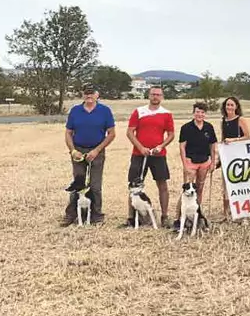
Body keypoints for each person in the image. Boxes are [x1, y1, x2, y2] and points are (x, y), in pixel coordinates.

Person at [61, 85, 116, 226]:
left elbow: (111, 133)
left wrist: (97, 150)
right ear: (82, 95)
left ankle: (96, 215)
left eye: (92, 93)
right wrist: (73, 150)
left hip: (97, 150)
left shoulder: (104, 111)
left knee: (95, 185)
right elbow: (68, 133)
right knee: (78, 183)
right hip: (78, 149)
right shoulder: (75, 111)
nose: (89, 96)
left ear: (97, 95)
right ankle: (71, 215)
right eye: (86, 93)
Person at [122, 86, 175, 228]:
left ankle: (164, 217)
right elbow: (130, 132)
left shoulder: (167, 114)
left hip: (158, 155)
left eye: (158, 94)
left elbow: (171, 134)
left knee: (162, 184)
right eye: (153, 94)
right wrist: (140, 148)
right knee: (134, 185)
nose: (155, 97)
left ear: (162, 97)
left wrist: (161, 146)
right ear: (149, 95)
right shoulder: (139, 111)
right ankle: (131, 218)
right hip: (139, 155)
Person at [176, 102, 218, 226]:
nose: (200, 114)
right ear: (193, 113)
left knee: (199, 189)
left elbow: (212, 146)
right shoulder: (186, 127)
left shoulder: (209, 127)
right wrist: (185, 165)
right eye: (197, 112)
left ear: (205, 114)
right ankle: (178, 219)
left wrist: (213, 162)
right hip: (190, 162)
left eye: (202, 112)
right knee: (187, 191)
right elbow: (182, 147)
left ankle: (196, 216)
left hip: (204, 162)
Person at [219, 96, 250, 220]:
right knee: (226, 185)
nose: (229, 107)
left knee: (240, 184)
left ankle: (243, 213)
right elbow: (222, 138)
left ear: (236, 107)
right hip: (227, 157)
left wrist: (234, 140)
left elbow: (248, 137)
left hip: (239, 156)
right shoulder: (223, 121)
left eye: (232, 105)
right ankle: (226, 213)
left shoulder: (240, 120)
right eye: (227, 105)